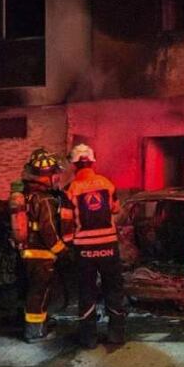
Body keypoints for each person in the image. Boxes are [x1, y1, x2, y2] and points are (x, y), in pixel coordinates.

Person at [62, 143, 126, 348]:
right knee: (113, 288)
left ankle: (88, 339)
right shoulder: (107, 184)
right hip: (109, 245)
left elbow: (66, 221)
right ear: (92, 161)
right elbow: (116, 210)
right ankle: (116, 335)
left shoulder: (70, 189)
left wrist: (67, 246)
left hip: (84, 249)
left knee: (86, 291)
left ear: (74, 165)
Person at [16, 148, 70, 342]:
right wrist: (63, 252)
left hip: (27, 253)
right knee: (39, 293)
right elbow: (49, 232)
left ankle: (40, 324)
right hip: (41, 255)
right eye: (55, 174)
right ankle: (35, 332)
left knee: (34, 291)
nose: (57, 178)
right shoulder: (46, 200)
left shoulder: (28, 195)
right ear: (47, 176)